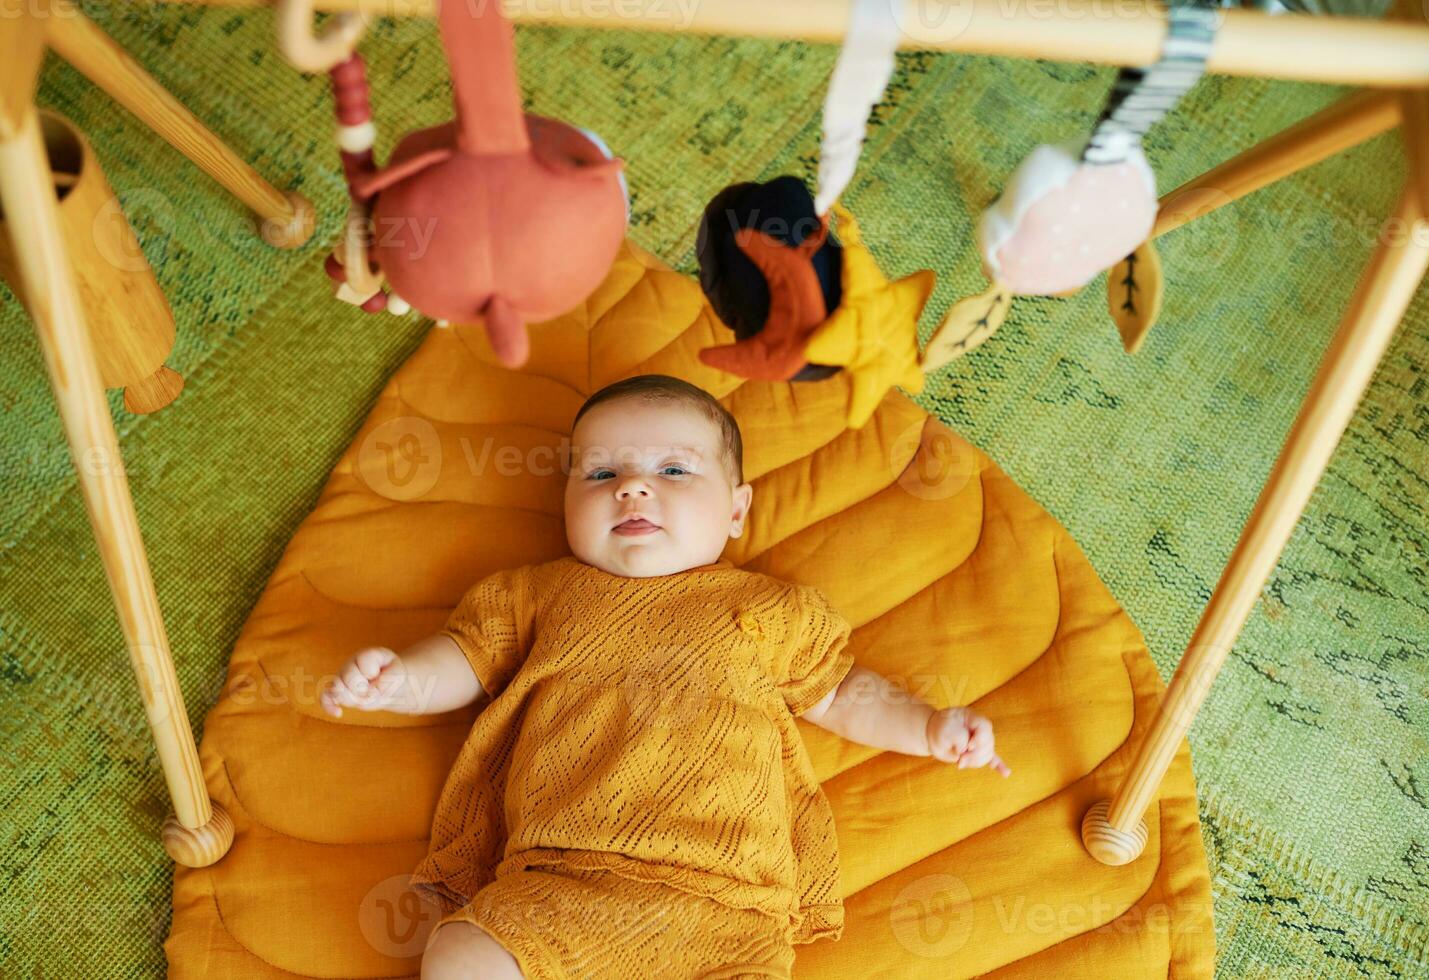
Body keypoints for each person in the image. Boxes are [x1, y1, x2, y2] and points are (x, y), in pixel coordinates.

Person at [322, 373, 1010, 979]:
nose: (633, 487)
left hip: (730, 903)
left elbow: (840, 691)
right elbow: (465, 659)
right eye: (599, 475)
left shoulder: (766, 607)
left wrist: (927, 725)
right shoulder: (539, 595)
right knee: (461, 955)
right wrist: (401, 679)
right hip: (559, 881)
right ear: (564, 499)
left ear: (736, 510)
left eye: (674, 471)